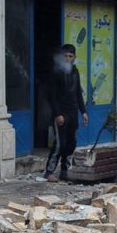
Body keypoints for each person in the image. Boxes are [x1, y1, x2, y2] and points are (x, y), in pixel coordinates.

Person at [44, 44, 88, 182]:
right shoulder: (55, 72)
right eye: (66, 56)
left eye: (71, 56)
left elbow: (77, 93)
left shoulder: (75, 71)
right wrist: (58, 114)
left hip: (73, 112)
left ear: (74, 57)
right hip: (61, 113)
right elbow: (51, 95)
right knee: (59, 144)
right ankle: (49, 171)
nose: (68, 59)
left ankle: (64, 170)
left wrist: (84, 112)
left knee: (71, 143)